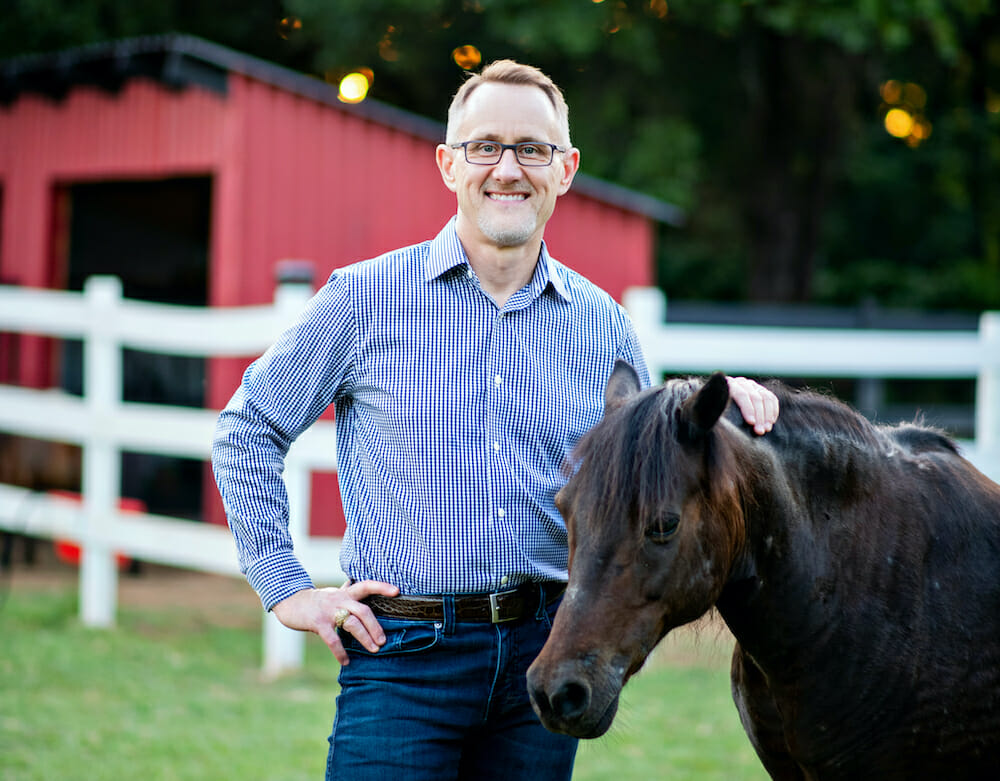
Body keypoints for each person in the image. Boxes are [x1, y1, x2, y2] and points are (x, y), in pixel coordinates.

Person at [212, 60, 779, 781]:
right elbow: (248, 429)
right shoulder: (363, 301)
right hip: (403, 655)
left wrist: (723, 402)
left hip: (547, 657)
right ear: (448, 164)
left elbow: (649, 463)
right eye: (485, 146)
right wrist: (285, 584)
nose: (507, 169)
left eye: (532, 149)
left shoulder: (605, 327)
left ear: (565, 169)